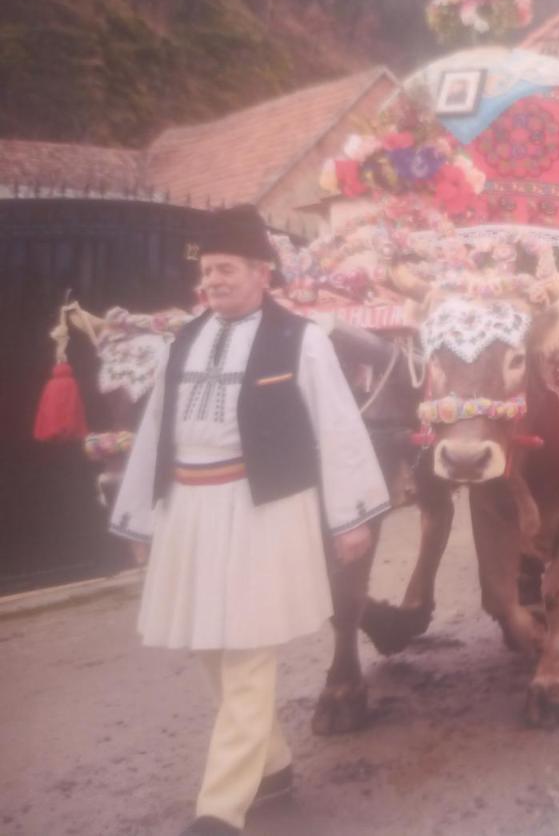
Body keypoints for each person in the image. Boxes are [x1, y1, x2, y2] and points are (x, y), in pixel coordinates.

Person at [109, 206, 391, 835]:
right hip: (191, 508)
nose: (214, 281)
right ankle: (273, 762)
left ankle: (219, 811)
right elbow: (156, 430)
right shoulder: (185, 337)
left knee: (245, 655)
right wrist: (139, 519)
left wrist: (350, 517)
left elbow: (337, 428)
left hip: (263, 510)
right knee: (208, 646)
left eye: (227, 269)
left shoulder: (301, 339)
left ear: (262, 273)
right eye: (208, 271)